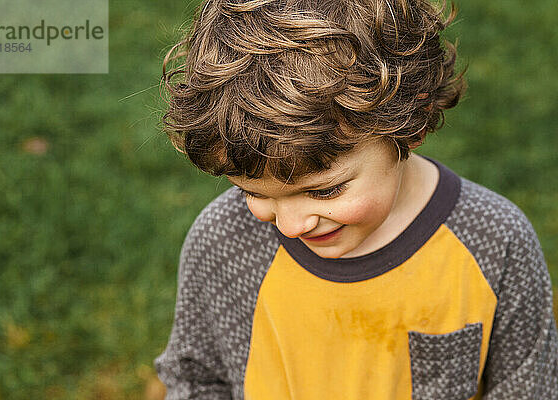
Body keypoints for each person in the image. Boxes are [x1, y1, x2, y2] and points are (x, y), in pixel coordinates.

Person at [154, 0, 558, 398]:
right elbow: (196, 379)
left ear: (408, 123)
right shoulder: (222, 241)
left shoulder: (494, 241)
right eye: (253, 193)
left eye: (325, 190)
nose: (291, 226)